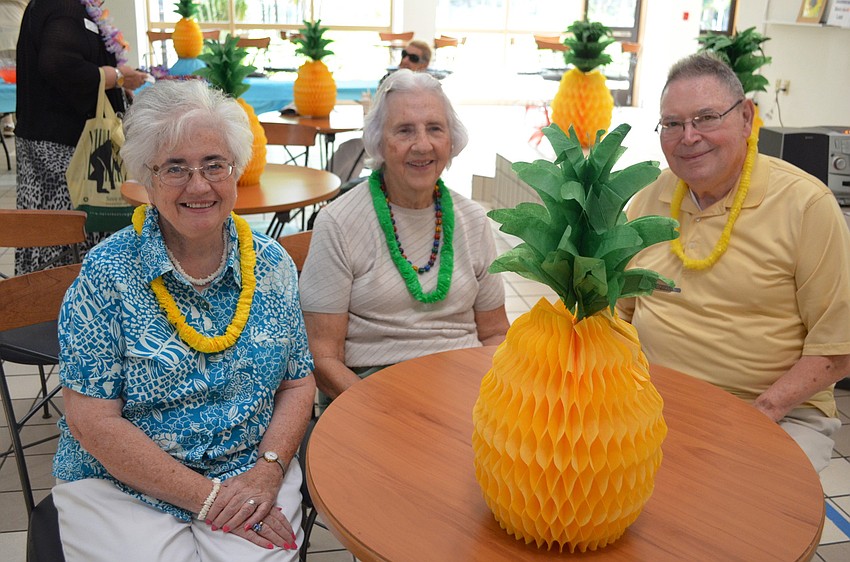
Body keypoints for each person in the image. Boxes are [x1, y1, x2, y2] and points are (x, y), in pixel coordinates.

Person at [51, 79, 316, 561]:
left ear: (236, 170)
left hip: (247, 472)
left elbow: (298, 384)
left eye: (214, 164)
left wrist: (269, 469)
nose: (199, 185)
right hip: (120, 481)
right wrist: (208, 500)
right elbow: (91, 419)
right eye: (175, 168)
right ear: (147, 180)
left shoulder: (273, 265)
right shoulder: (108, 274)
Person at [616, 53, 850, 473]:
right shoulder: (650, 197)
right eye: (672, 123)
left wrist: (761, 412)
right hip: (649, 400)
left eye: (706, 118)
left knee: (732, 522)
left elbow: (838, 348)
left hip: (775, 412)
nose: (688, 137)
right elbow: (618, 309)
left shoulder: (806, 205)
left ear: (746, 118)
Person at [300, 69, 509, 412]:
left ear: (451, 141)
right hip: (373, 393)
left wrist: (494, 397)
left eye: (435, 129)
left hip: (465, 387)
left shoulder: (472, 219)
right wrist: (378, 409)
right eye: (405, 130)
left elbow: (496, 333)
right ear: (378, 141)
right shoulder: (339, 222)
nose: (423, 145)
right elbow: (321, 357)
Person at [14, 0, 148, 274]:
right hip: (63, 151)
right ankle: (61, 302)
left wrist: (119, 88)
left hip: (60, 144)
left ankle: (46, 300)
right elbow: (57, 64)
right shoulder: (63, 6)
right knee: (65, 237)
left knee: (55, 236)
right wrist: (117, 77)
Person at [0, 0, 27, 136]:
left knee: (13, 80)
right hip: (15, 30)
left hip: (16, 30)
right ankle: (9, 119)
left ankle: (10, 119)